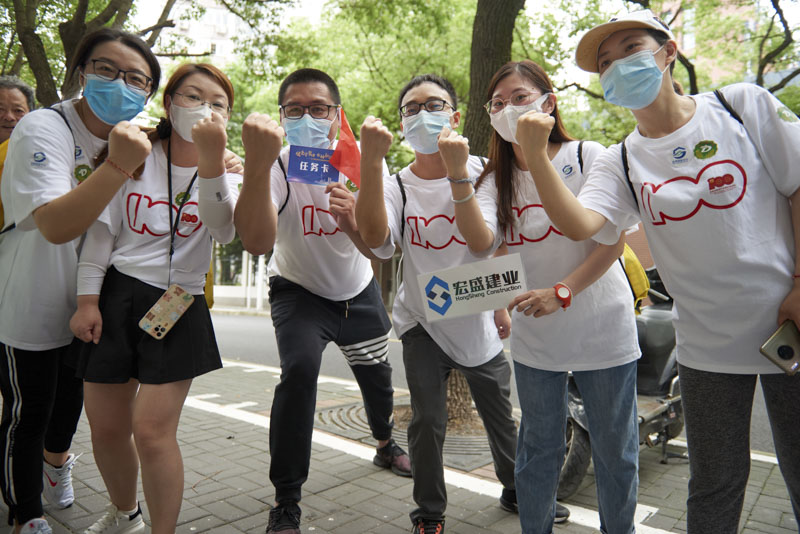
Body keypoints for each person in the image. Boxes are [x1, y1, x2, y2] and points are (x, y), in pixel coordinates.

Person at [515, 9, 800, 534]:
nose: (618, 65)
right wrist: (536, 158)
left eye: (631, 49)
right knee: (714, 485)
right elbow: (583, 225)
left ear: (668, 52)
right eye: (605, 62)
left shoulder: (741, 106)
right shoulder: (622, 160)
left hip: (789, 323)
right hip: (706, 347)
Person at [444, 60, 640, 534]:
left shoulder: (590, 156)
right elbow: (481, 242)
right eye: (497, 103)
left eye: (519, 97)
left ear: (548, 103)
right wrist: (457, 176)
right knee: (538, 450)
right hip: (538, 337)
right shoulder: (494, 179)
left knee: (615, 451)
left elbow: (611, 241)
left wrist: (563, 291)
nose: (507, 109)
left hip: (602, 329)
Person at [356, 74, 536, 534]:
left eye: (433, 105)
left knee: (500, 414)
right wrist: (371, 164)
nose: (422, 115)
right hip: (423, 320)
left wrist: (499, 305)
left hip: (477, 318)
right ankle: (429, 512)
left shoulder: (486, 170)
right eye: (411, 109)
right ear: (401, 125)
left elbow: (489, 243)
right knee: (427, 420)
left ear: (455, 117)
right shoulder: (396, 183)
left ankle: (518, 489)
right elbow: (377, 242)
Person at [233, 68, 409, 534]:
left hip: (357, 290)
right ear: (281, 116)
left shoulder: (362, 161)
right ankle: (286, 498)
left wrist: (352, 219)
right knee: (299, 372)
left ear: (336, 114)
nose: (307, 118)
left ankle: (385, 442)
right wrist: (255, 163)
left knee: (378, 380)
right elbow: (255, 240)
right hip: (299, 292)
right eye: (295, 110)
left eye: (318, 108)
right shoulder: (276, 164)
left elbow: (380, 250)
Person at [68, 62, 240, 534]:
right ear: (168, 103)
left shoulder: (228, 168)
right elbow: (101, 237)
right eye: (192, 96)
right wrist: (87, 301)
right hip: (117, 295)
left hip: (180, 301)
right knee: (106, 427)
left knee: (151, 431)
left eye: (218, 103)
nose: (204, 108)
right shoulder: (135, 153)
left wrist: (212, 162)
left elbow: (223, 231)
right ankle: (125, 514)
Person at [0, 29, 160, 534]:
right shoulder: (43, 128)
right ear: (82, 72)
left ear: (148, 93)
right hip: (32, 300)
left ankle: (55, 467)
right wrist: (118, 166)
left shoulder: (141, 138)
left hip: (94, 305)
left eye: (137, 79)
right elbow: (55, 224)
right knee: (29, 411)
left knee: (70, 405)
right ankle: (26, 514)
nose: (120, 84)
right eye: (106, 69)